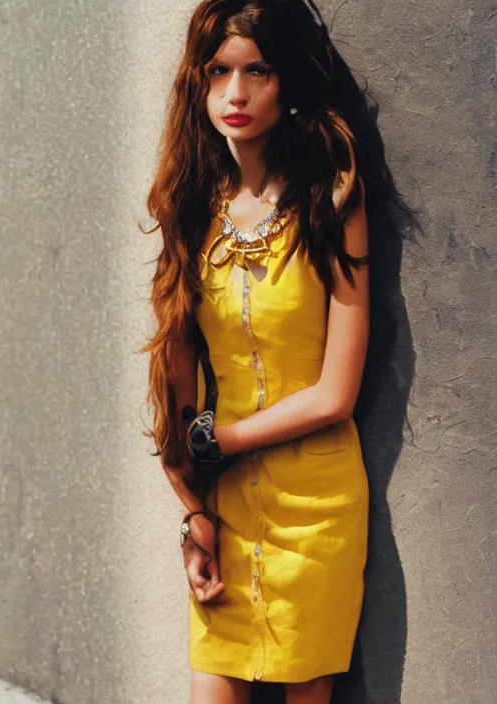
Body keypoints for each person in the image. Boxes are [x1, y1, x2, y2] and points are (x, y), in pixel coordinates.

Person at [140, 1, 380, 702]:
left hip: (318, 507)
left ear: (289, 83)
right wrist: (194, 514)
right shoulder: (191, 211)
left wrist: (224, 439)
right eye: (218, 72)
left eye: (258, 71)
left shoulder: (332, 199)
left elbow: (336, 393)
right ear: (198, 81)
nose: (236, 95)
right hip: (226, 509)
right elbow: (176, 397)